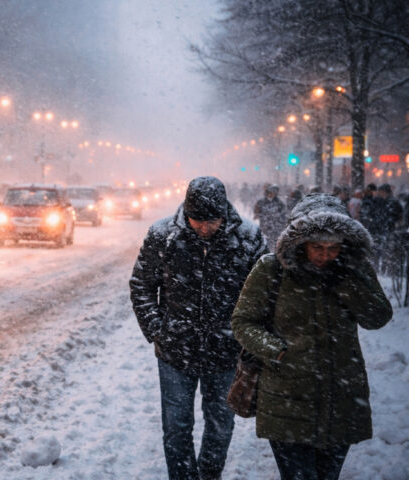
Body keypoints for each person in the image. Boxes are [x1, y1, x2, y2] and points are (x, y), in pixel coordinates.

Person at [231, 193, 392, 480]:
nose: (324, 255)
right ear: (299, 242)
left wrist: (346, 280)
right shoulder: (271, 269)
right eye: (317, 246)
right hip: (287, 399)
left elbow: (377, 317)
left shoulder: (354, 270)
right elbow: (243, 322)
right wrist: (277, 350)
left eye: (333, 248)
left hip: (341, 398)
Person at [130, 176, 266, 480]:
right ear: (186, 212)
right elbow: (141, 285)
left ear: (224, 213)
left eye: (211, 221)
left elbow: (264, 294)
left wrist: (248, 338)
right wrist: (157, 329)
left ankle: (209, 474)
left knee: (221, 425)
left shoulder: (248, 238)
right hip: (175, 351)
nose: (204, 228)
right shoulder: (163, 235)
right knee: (176, 427)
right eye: (196, 221)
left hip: (227, 351)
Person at [253, 184, 288, 252]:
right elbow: (256, 211)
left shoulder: (279, 202)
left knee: (275, 243)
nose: (271, 194)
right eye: (270, 192)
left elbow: (284, 214)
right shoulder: (261, 202)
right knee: (266, 242)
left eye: (273, 193)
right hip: (265, 226)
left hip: (277, 227)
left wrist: (281, 222)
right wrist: (259, 214)